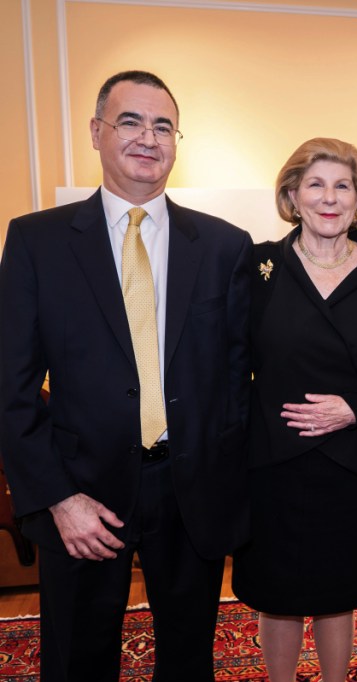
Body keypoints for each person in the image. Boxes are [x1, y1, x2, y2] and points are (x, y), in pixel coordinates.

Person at [0, 71, 251, 681]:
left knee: (190, 658)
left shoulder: (224, 246)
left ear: (176, 141)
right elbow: (9, 385)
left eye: (163, 125)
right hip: (82, 492)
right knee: (78, 658)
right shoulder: (37, 242)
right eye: (130, 121)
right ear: (97, 132)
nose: (148, 137)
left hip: (189, 494)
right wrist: (57, 498)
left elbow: (239, 377)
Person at [231, 138, 357, 682]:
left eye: (342, 186)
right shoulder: (257, 266)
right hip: (273, 460)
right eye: (316, 185)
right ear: (292, 195)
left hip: (350, 461)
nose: (330, 198)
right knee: (275, 594)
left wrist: (356, 409)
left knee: (336, 592)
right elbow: (230, 363)